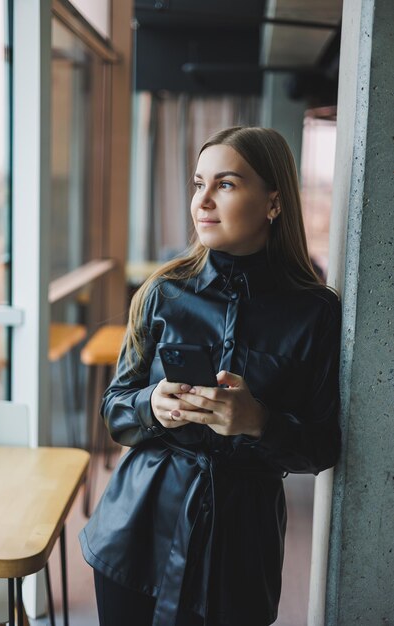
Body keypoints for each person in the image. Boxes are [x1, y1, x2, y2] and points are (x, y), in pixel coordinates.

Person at [80, 126, 341, 626]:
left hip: (240, 547)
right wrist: (150, 404)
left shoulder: (316, 314)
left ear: (273, 201)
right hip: (136, 531)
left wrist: (258, 422)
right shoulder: (163, 292)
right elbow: (115, 411)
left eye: (225, 184)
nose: (202, 201)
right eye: (198, 183)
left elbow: (324, 446)